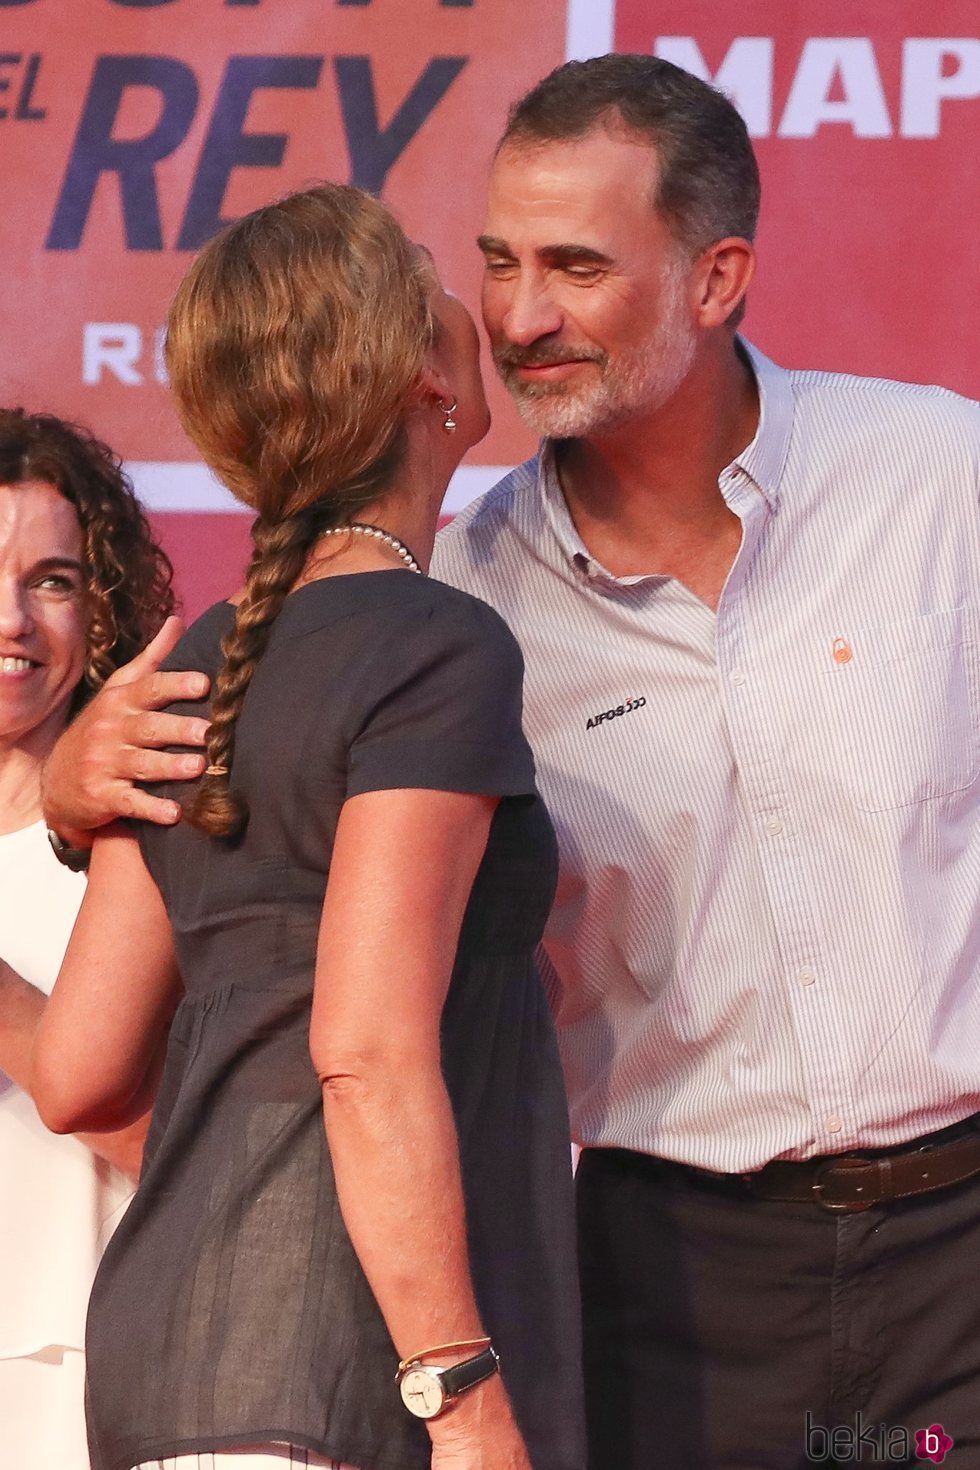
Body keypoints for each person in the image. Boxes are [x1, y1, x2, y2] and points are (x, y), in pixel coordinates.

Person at [40, 54, 980, 1468]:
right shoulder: (456, 611)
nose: (522, 316)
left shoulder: (940, 479)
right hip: (667, 1272)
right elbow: (303, 1021)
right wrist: (72, 791)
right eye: (496, 263)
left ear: (717, 277)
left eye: (577, 265)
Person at [33, 183, 584, 1470]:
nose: (475, 304)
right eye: (434, 277)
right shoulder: (437, 646)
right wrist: (461, 1394)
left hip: (165, 1368)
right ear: (420, 381)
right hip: (353, 1375)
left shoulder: (200, 666)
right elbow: (367, 1047)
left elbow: (76, 1071)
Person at [0, 407, 176, 1469]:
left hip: (83, 1377)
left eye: (51, 581)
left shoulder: (144, 843)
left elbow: (188, 1149)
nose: (14, 620)